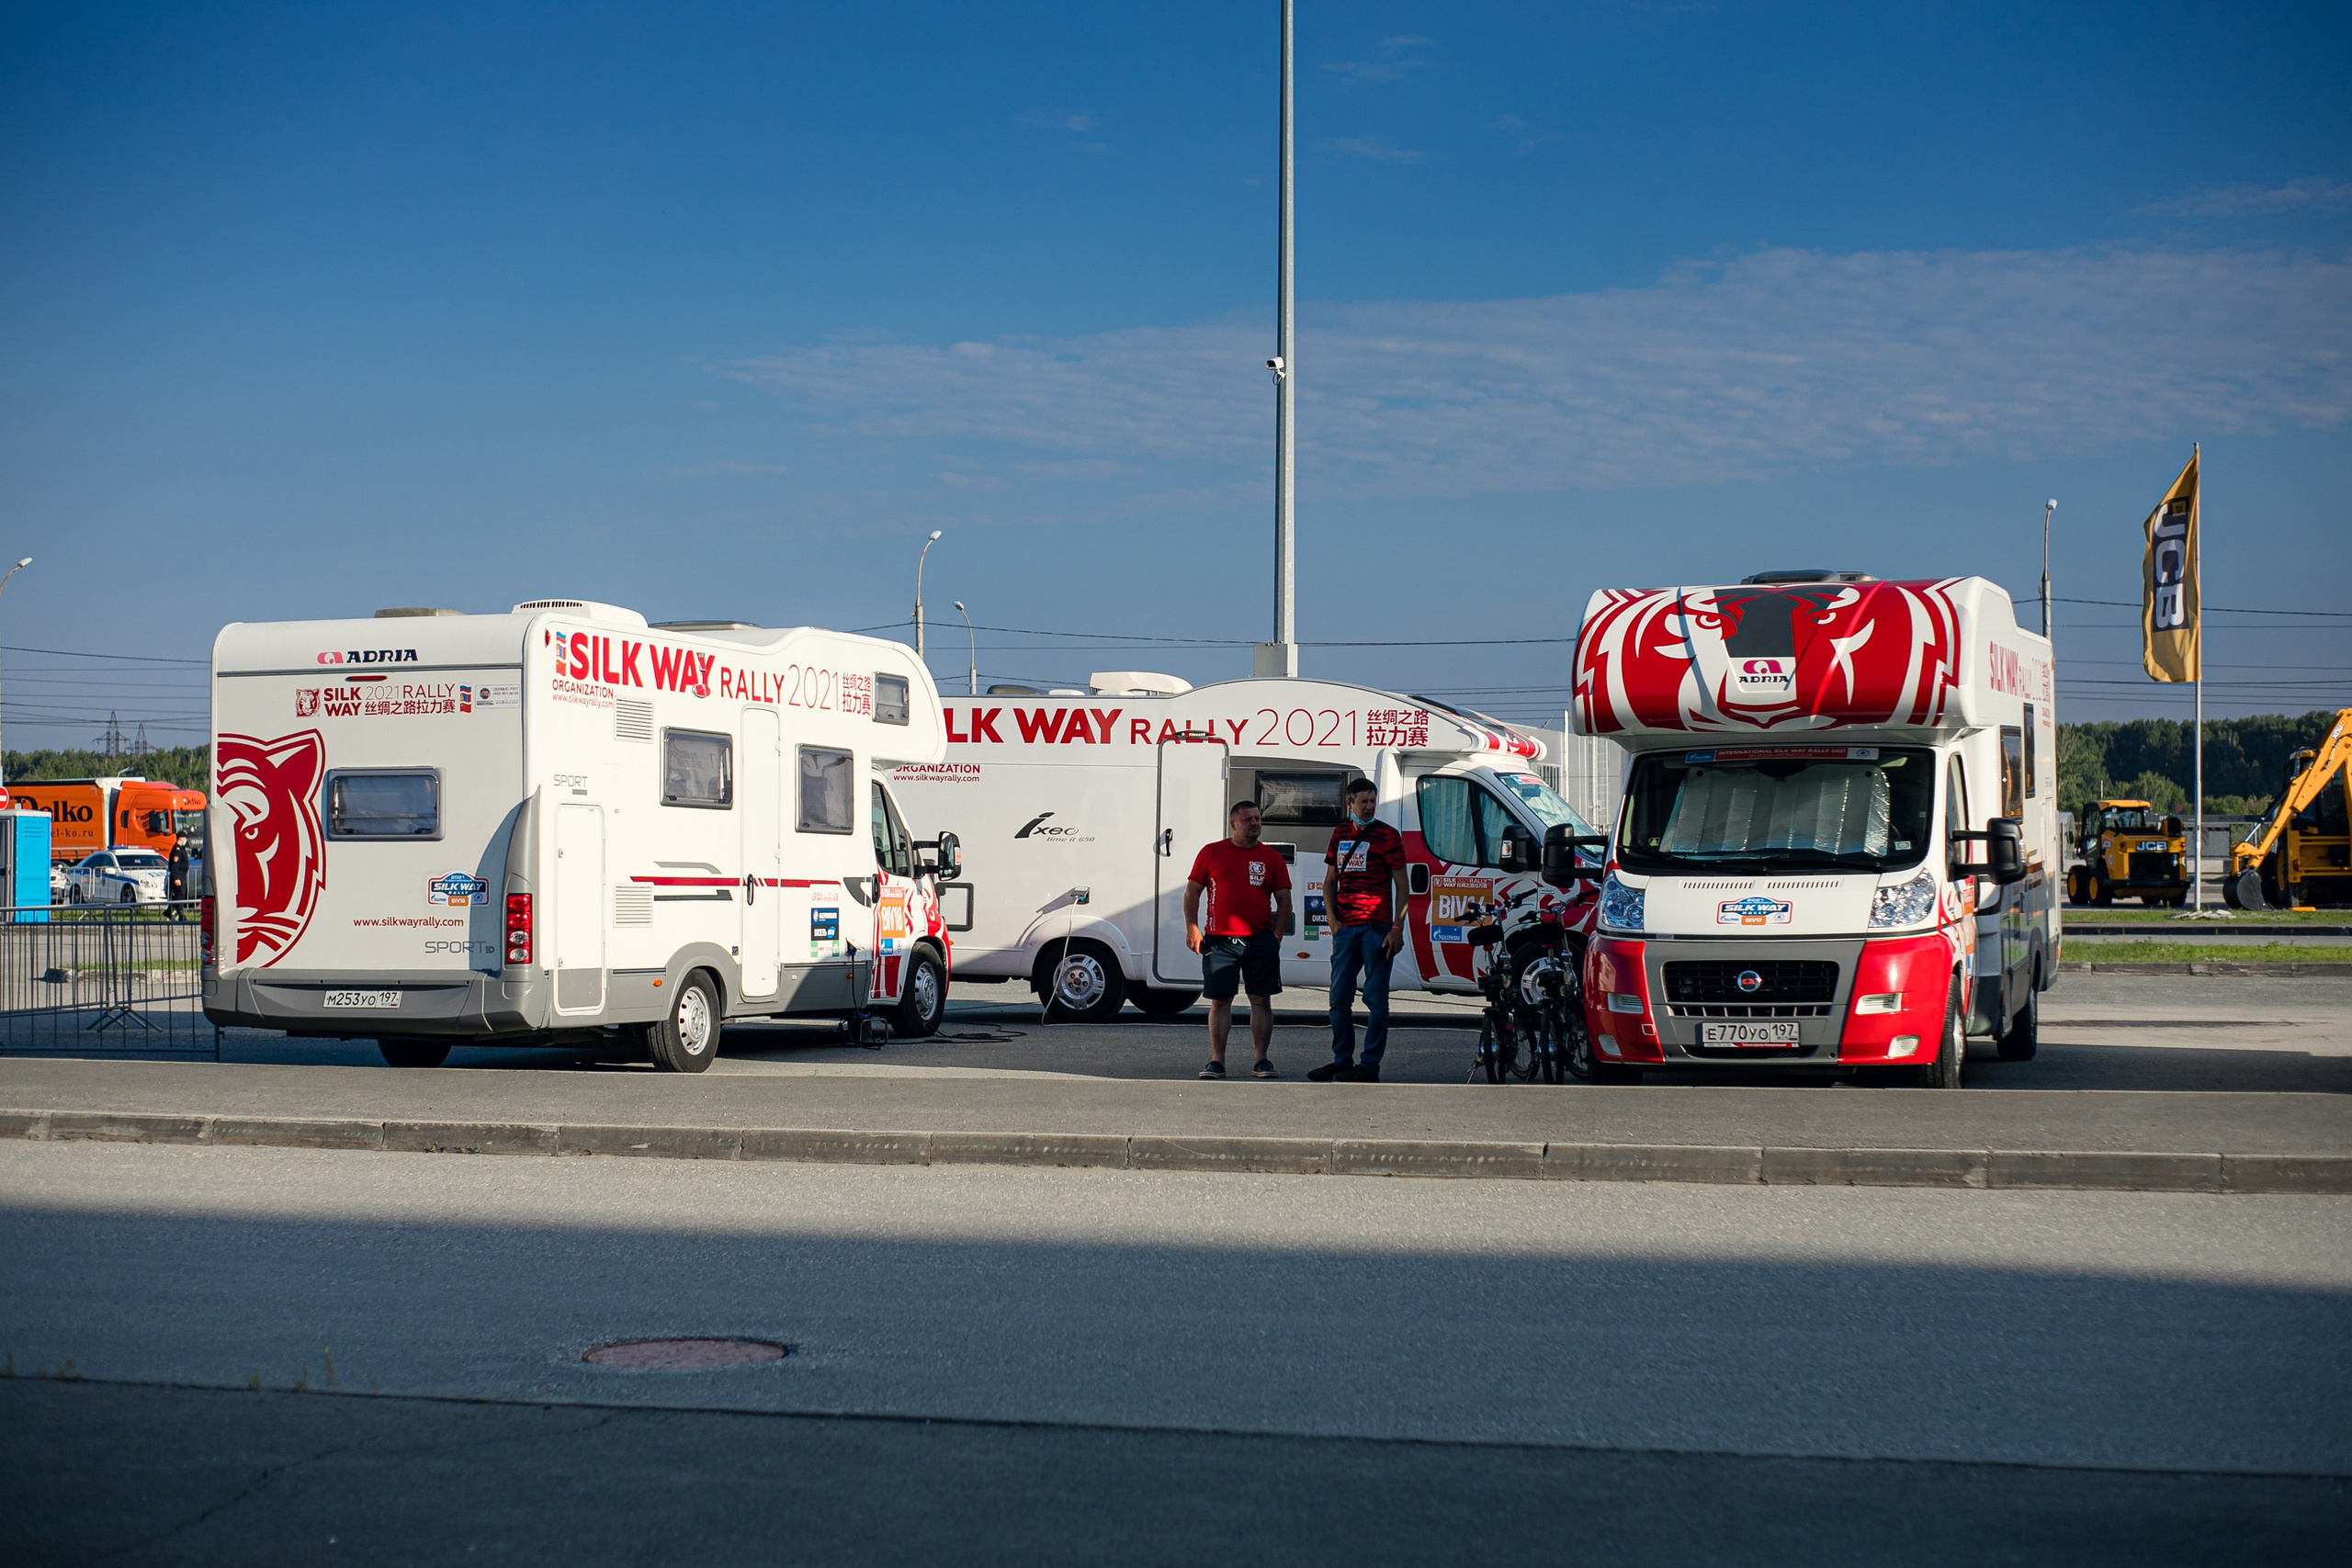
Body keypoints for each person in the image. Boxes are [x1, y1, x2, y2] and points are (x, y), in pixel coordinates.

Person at [1308, 777, 1409, 1083]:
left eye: (1372, 801)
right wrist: (1332, 919)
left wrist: (1397, 927)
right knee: (1339, 998)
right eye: (1363, 801)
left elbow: (1403, 885)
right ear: (1350, 802)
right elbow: (1329, 881)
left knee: (1376, 1001)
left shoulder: (1388, 835)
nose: (1368, 807)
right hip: (1346, 930)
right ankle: (1342, 1061)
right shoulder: (1339, 833)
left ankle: (1369, 1067)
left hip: (1377, 929)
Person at [1184, 800, 1293, 1079]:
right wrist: (1193, 927)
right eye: (1248, 820)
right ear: (1234, 824)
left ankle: (1262, 1060)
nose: (1254, 823)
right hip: (1219, 941)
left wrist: (1276, 936)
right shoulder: (1211, 853)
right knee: (1221, 1001)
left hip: (1259, 941)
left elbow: (1284, 901)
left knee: (1261, 1000)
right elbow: (1192, 893)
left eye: (1257, 819)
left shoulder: (1271, 858)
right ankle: (1217, 1061)